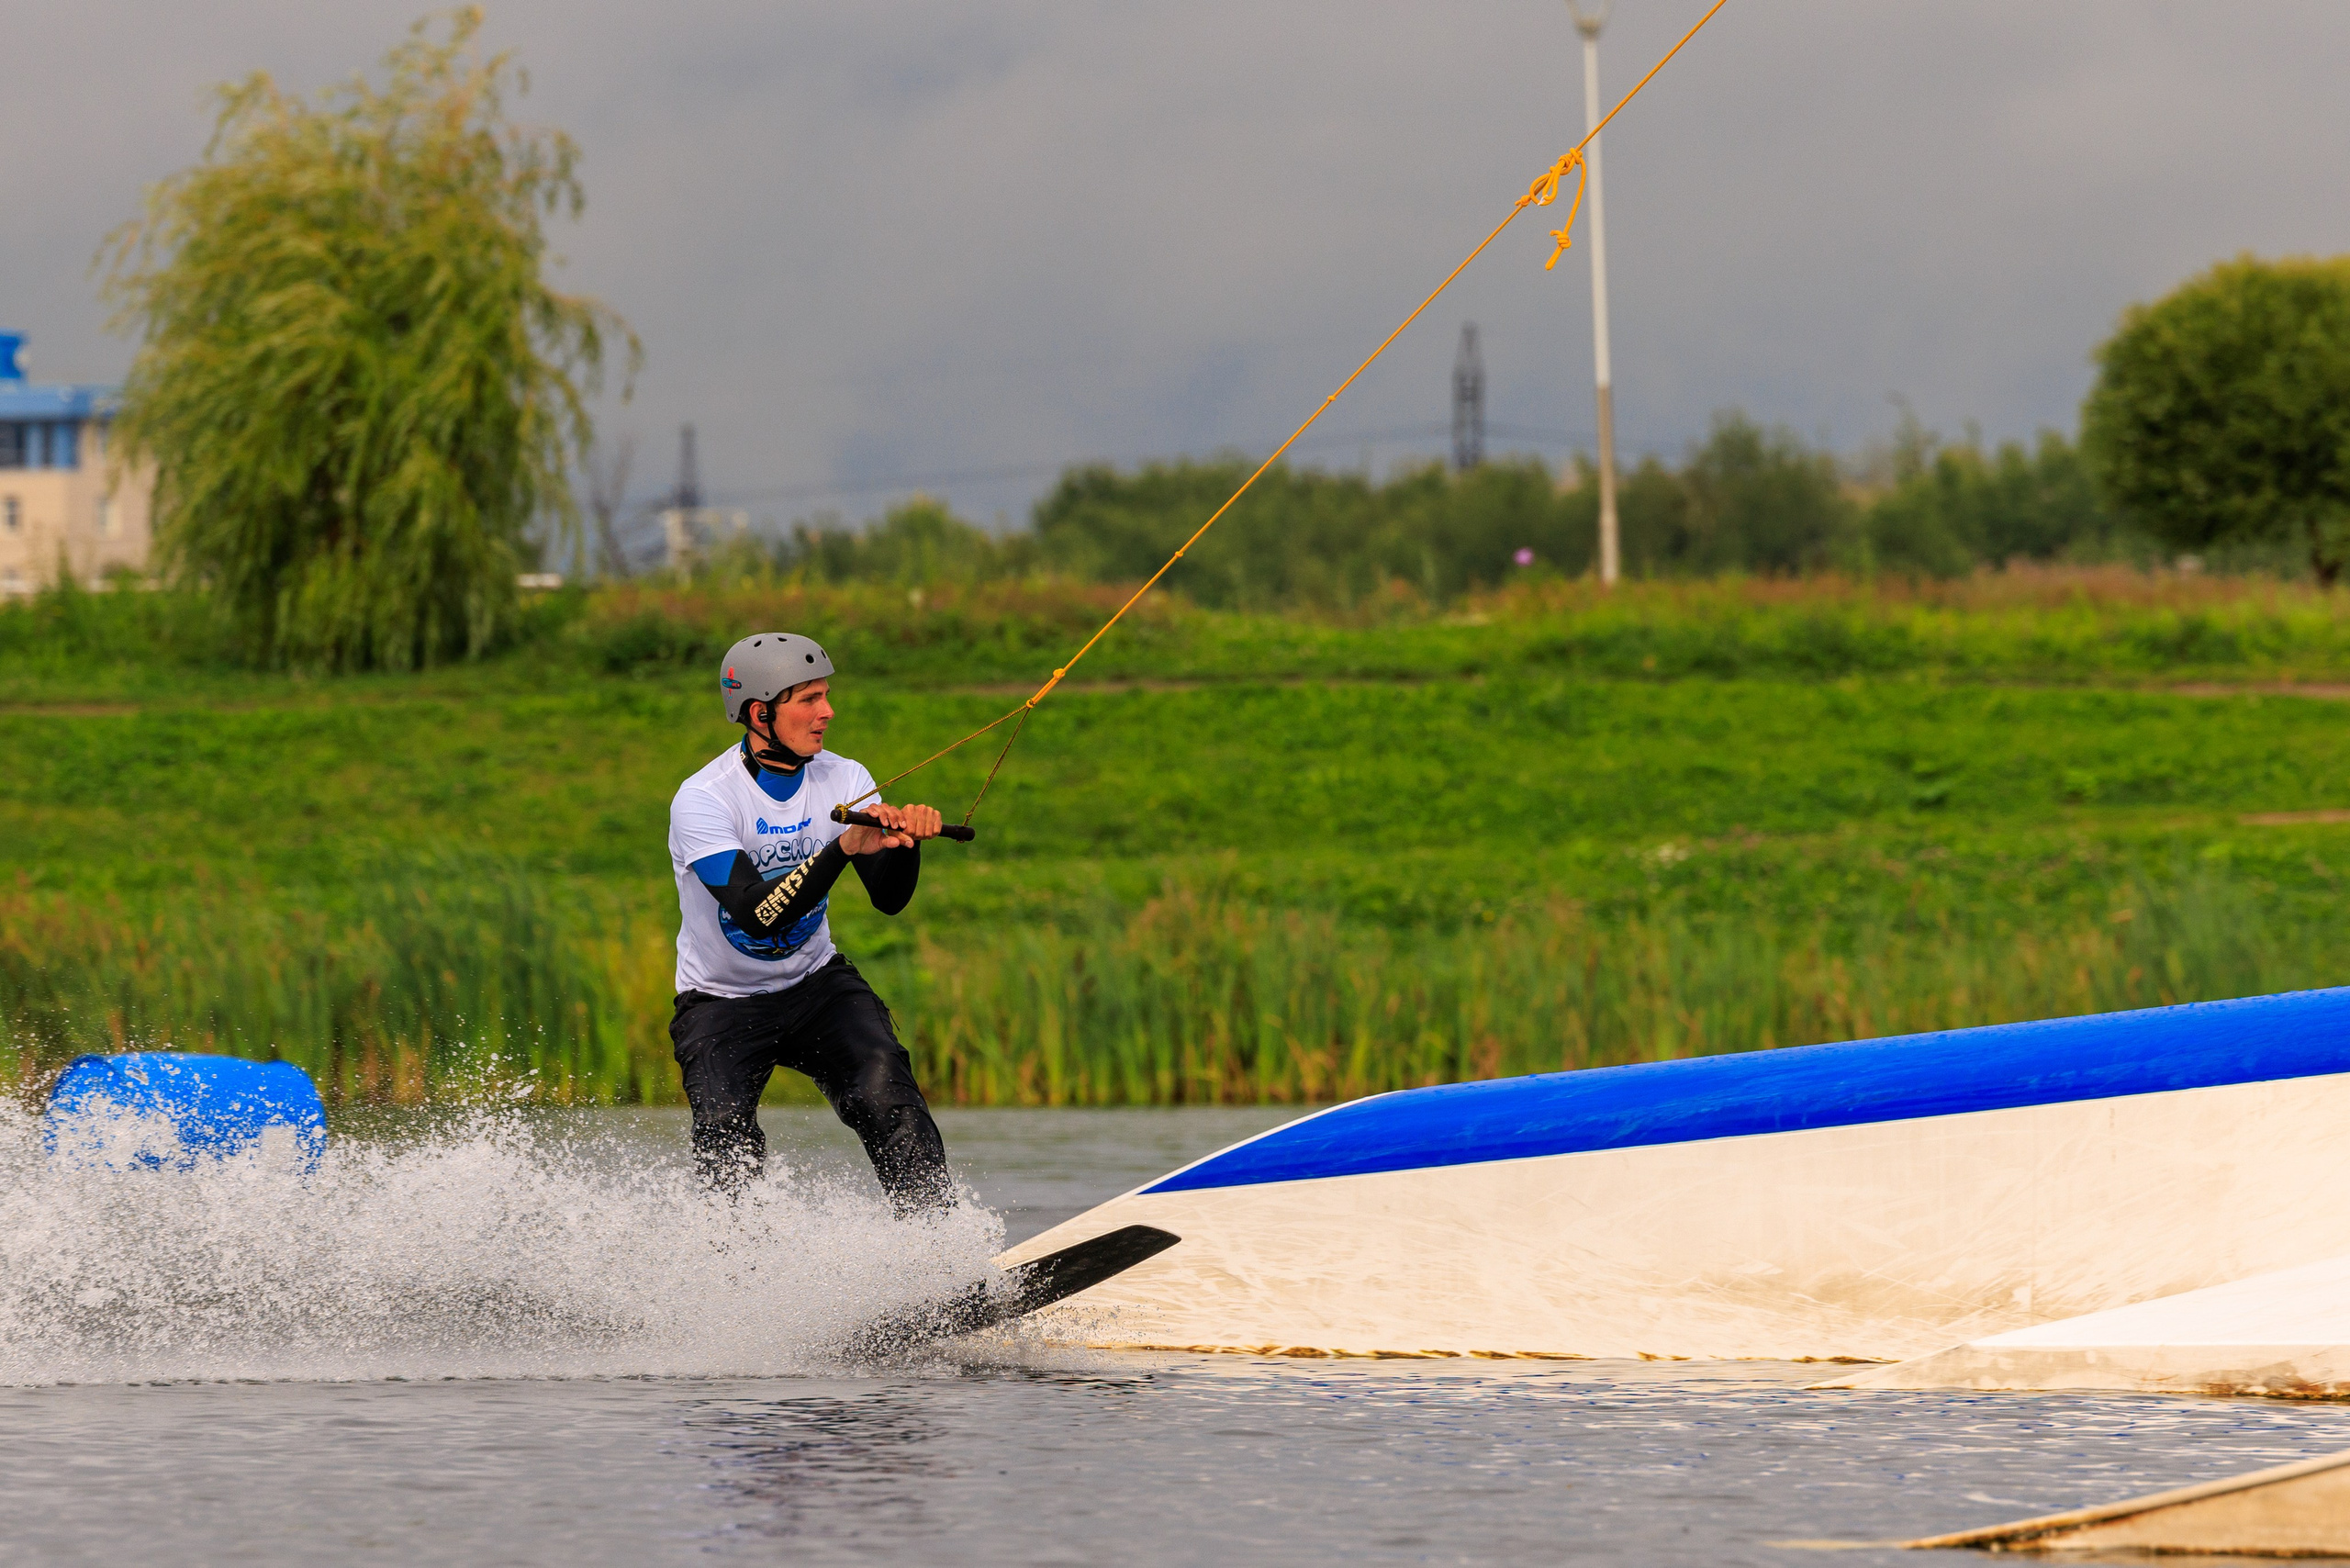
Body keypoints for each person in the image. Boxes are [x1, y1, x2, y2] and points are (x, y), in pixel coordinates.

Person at [666, 632, 954, 1213]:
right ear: (759, 713)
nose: (827, 712)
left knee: (888, 1097)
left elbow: (890, 900)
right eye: (808, 699)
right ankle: (740, 1277)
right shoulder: (704, 800)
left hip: (817, 986)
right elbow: (757, 914)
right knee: (727, 1140)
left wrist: (904, 846)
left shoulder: (845, 777)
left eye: (826, 696)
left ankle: (942, 1258)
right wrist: (842, 848)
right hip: (721, 1002)